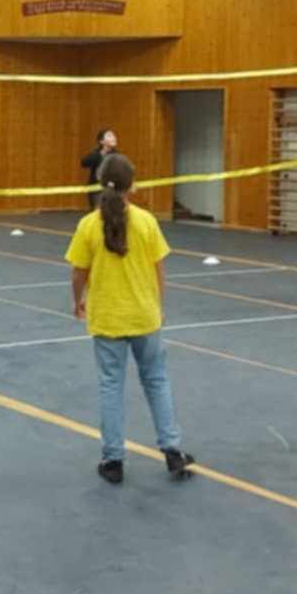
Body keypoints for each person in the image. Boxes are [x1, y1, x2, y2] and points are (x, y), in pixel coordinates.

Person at [66, 153, 195, 485]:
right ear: (132, 185)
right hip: (144, 316)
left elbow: (79, 271)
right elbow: (158, 269)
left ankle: (113, 459)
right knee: (157, 380)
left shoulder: (88, 225)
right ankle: (172, 449)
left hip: (108, 317)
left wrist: (77, 301)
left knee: (111, 385)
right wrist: (158, 305)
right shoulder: (146, 222)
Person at [80, 129, 118, 209]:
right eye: (109, 136)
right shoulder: (96, 153)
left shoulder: (117, 155)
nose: (114, 137)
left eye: (113, 135)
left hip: (111, 190)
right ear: (101, 141)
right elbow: (84, 163)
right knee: (97, 213)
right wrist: (100, 154)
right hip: (96, 190)